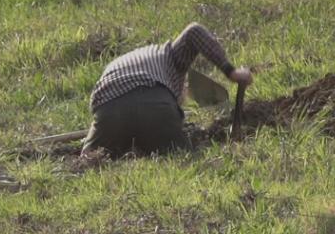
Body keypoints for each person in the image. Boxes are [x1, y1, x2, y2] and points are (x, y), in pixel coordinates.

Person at [82, 22, 252, 157]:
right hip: (155, 104)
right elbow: (194, 31)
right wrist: (231, 71)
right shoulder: (172, 57)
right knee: (181, 157)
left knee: (89, 160)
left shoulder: (119, 64)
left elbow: (101, 104)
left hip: (109, 110)